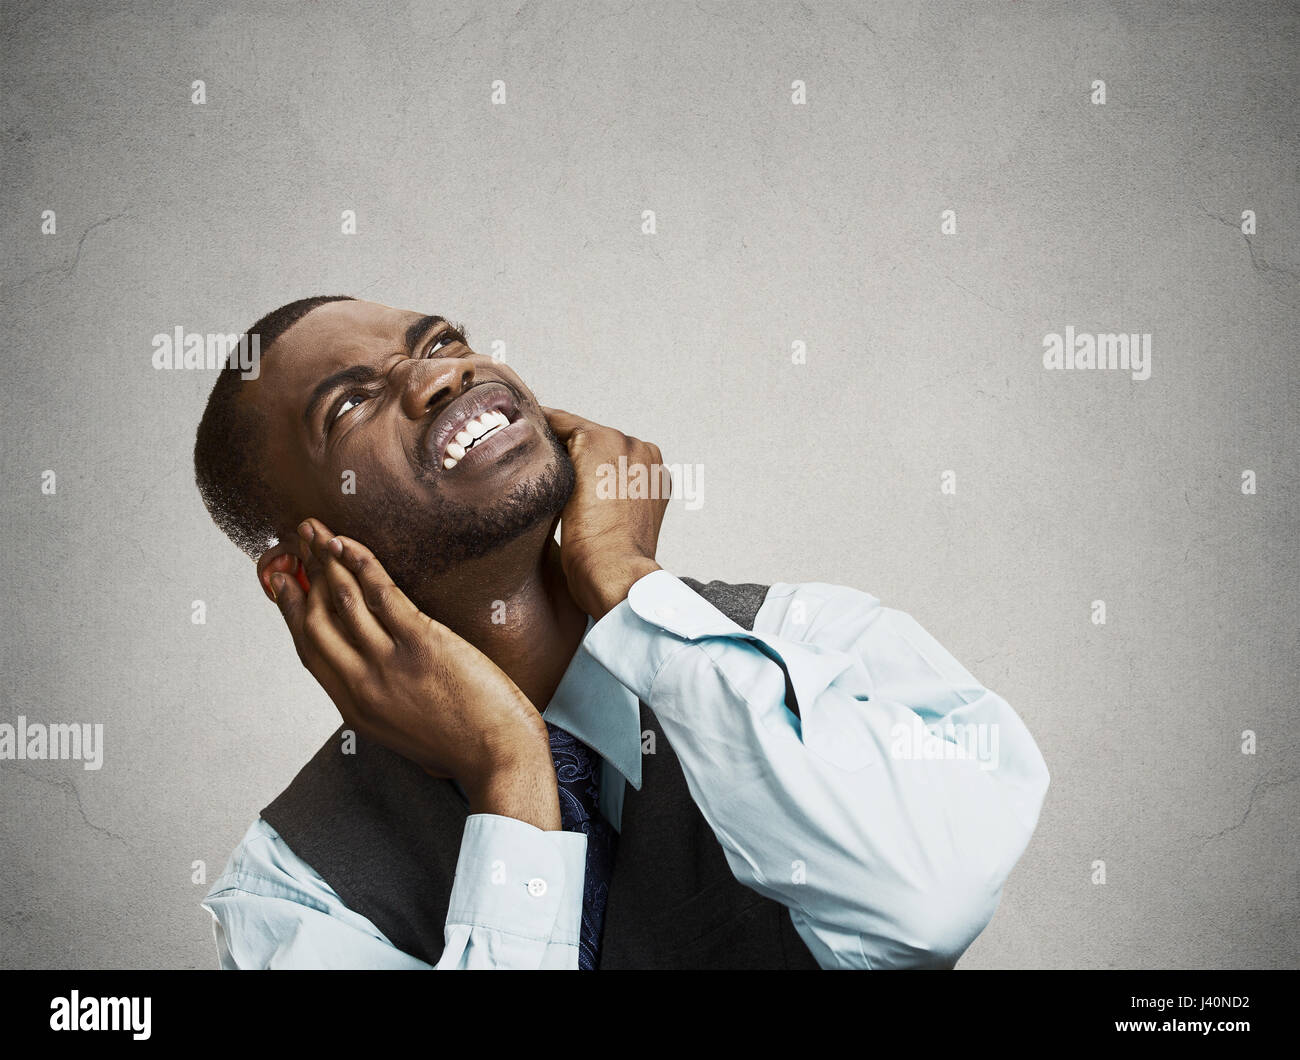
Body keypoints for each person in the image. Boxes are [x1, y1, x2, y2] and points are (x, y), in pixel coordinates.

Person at [192, 294, 1050, 969]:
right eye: (350, 404)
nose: (440, 376)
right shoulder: (294, 893)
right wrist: (511, 773)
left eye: (442, 341)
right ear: (298, 570)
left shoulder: (815, 643)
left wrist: (631, 586)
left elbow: (920, 910)